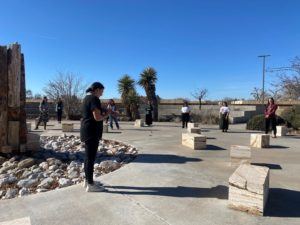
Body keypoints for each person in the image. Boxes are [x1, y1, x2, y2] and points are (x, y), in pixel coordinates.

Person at [80, 82, 110, 192]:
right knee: (90, 158)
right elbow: (97, 117)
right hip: (91, 132)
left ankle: (87, 180)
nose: (102, 94)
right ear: (96, 89)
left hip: (86, 131)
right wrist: (107, 114)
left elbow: (92, 113)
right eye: (101, 91)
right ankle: (91, 185)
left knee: (88, 157)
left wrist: (104, 111)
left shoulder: (86, 98)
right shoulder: (94, 99)